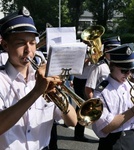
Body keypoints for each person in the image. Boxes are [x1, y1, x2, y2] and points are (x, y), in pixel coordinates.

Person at [0, 6, 77, 150]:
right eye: (20, 43)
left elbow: (73, 122)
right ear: (5, 45)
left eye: (32, 43)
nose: (28, 50)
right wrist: (36, 92)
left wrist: (57, 95)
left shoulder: (44, 76)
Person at [92, 43, 134, 150]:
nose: (128, 74)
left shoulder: (132, 86)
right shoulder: (101, 91)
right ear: (112, 66)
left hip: (132, 140)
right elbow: (105, 128)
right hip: (111, 143)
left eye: (131, 70)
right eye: (124, 70)